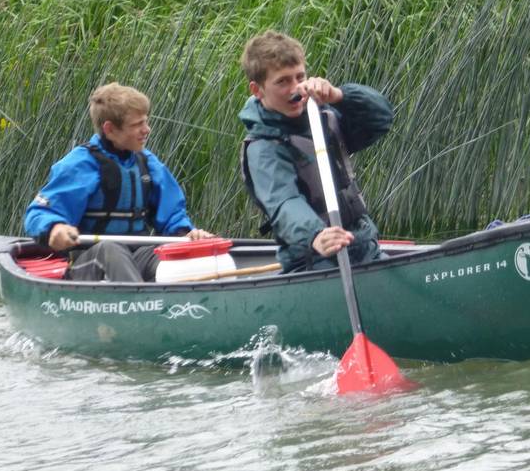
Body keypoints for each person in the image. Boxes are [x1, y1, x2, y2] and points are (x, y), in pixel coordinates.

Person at [24, 82, 213, 282]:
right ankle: (140, 307)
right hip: (90, 260)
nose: (146, 130)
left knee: (175, 260)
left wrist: (188, 235)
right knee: (110, 250)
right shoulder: (79, 166)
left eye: (146, 122)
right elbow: (39, 213)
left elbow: (173, 217)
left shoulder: (148, 164)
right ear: (110, 129)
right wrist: (54, 228)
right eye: (137, 125)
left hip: (137, 256)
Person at [238, 30, 393, 273]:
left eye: (299, 77)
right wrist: (316, 235)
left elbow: (381, 119)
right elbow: (284, 202)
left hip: (363, 247)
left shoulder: (324, 118)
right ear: (257, 90)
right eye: (283, 81)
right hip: (314, 261)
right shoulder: (263, 147)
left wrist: (340, 96)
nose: (295, 88)